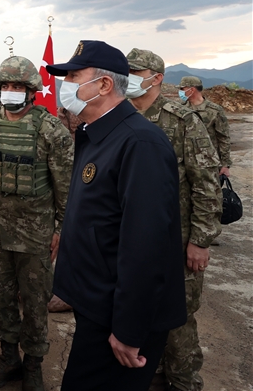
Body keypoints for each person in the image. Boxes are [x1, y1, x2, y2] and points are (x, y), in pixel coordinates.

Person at [47, 40, 186, 391]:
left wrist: (129, 329)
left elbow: (147, 245)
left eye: (74, 76)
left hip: (119, 317)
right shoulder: (94, 135)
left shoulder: (140, 143)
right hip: (96, 303)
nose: (67, 85)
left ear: (105, 85)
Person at [0, 56, 73, 391]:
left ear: (31, 91)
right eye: (6, 86)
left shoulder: (49, 129)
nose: (11, 92)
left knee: (36, 300)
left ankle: (34, 365)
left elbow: (66, 187)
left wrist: (60, 230)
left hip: (34, 231)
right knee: (0, 298)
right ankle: (8, 357)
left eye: (18, 87)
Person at [125, 48, 222, 391]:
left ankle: (182, 380)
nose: (130, 78)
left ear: (156, 78)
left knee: (178, 318)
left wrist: (200, 240)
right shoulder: (120, 118)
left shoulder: (181, 121)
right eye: (127, 72)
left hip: (177, 240)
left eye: (136, 72)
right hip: (134, 240)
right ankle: (148, 370)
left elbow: (207, 183)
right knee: (140, 310)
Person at [179, 75, 232, 178]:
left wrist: (225, 164)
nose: (180, 91)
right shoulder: (180, 108)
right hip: (185, 163)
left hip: (208, 163)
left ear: (192, 89)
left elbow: (223, 138)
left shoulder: (214, 110)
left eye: (182, 89)